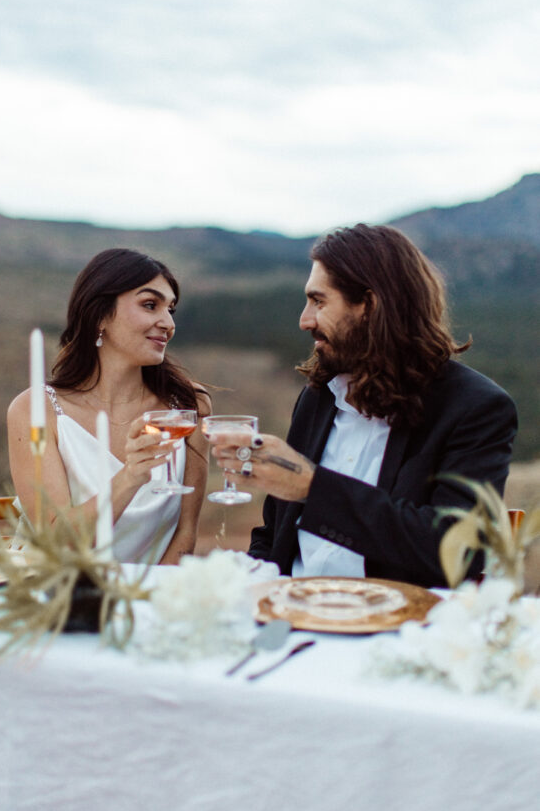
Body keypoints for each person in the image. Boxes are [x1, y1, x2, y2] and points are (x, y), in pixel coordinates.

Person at [210, 223, 518, 588]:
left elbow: (457, 550)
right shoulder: (317, 398)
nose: (304, 320)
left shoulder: (475, 408)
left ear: (369, 306)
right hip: (289, 617)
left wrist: (312, 487)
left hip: (395, 630)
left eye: (319, 301)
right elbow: (272, 535)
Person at [8, 248, 210, 564]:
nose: (168, 323)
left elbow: (185, 535)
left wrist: (147, 603)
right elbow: (55, 541)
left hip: (149, 600)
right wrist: (130, 477)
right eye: (150, 305)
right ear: (100, 315)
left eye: (170, 309)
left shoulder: (188, 405)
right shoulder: (35, 411)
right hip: (55, 595)